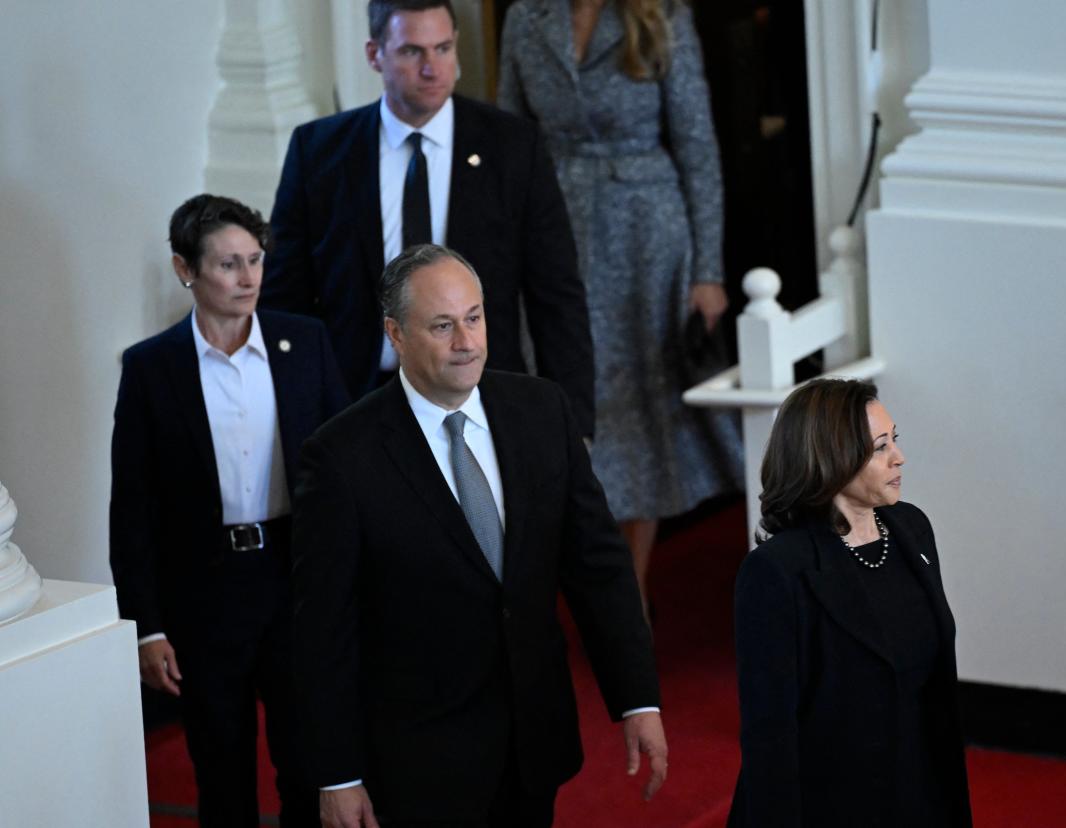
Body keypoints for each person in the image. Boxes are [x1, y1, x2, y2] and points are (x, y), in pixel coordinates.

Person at [291, 244, 667, 828]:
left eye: (474, 317)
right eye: (443, 326)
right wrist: (337, 773)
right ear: (395, 333)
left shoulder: (542, 410)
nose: (467, 342)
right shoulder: (341, 458)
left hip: (532, 745)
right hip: (417, 766)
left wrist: (636, 698)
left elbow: (598, 567)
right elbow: (324, 631)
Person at [109, 194, 349, 827]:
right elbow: (131, 507)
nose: (248, 279)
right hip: (205, 594)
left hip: (293, 582)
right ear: (185, 269)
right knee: (221, 767)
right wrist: (146, 625)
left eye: (255, 261)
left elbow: (345, 475)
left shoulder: (307, 343)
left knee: (307, 760)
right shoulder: (150, 368)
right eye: (227, 265)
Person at [498, 0, 743, 617]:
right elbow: (509, 137)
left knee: (636, 417)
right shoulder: (527, 17)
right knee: (562, 401)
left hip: (646, 240)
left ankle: (625, 599)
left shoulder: (662, 17)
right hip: (552, 229)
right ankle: (583, 576)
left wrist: (708, 272)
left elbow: (698, 148)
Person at [262, 0, 595, 439]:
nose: (432, 68)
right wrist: (295, 415)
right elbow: (286, 301)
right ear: (374, 54)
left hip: (481, 402)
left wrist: (572, 426)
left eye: (442, 48)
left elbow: (556, 297)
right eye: (411, 51)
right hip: (356, 404)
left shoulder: (512, 147)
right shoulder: (319, 151)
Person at [728, 379, 972, 827]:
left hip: (921, 791)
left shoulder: (911, 528)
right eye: (880, 448)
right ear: (832, 456)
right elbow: (770, 738)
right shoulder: (777, 572)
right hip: (832, 805)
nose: (898, 457)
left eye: (894, 441)